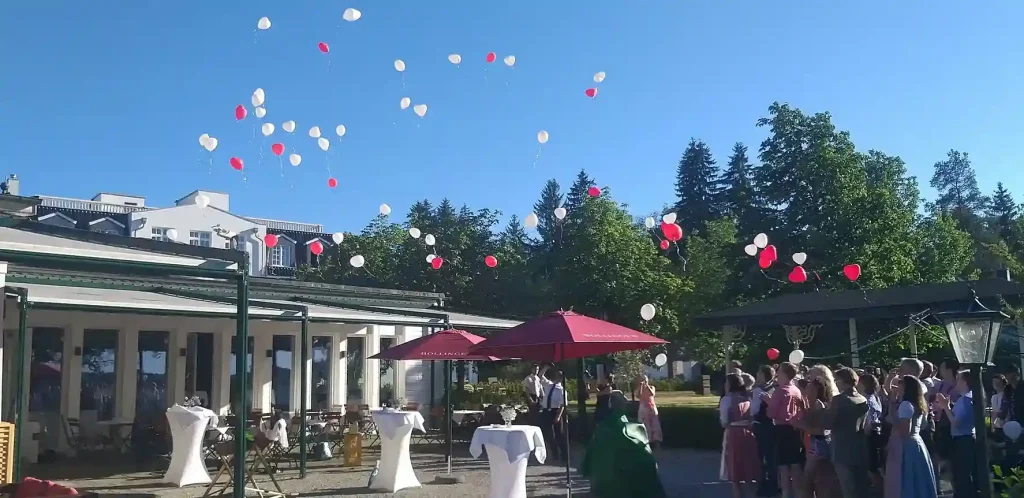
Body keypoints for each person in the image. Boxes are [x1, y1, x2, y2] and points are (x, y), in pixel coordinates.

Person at [884, 375, 937, 498]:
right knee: (918, 480)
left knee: (906, 479)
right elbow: (923, 425)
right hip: (916, 443)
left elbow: (904, 430)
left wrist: (893, 420)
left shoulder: (906, 405)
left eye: (901, 383)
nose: (897, 385)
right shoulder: (917, 403)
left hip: (905, 446)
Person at [823, 367, 870, 498]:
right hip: (859, 446)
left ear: (843, 381)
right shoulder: (862, 398)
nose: (836, 382)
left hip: (842, 447)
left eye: (837, 379)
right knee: (861, 487)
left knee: (848, 488)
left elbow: (828, 423)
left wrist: (825, 410)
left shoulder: (839, 400)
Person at [764, 362, 805, 498]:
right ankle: (799, 494)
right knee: (795, 465)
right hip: (795, 428)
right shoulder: (796, 390)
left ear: (784, 373)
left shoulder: (780, 391)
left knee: (783, 467)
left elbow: (771, 413)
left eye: (779, 371)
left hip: (781, 429)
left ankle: (786, 494)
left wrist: (768, 402)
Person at [936, 370, 979, 498]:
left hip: (964, 440)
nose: (956, 381)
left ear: (965, 382)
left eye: (958, 378)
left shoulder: (966, 399)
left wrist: (946, 407)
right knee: (960, 474)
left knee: (962, 475)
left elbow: (956, 422)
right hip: (962, 439)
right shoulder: (965, 398)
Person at [721, 373, 761, 498]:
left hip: (733, 433)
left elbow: (724, 421)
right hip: (749, 434)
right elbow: (753, 415)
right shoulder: (748, 398)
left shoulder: (727, 400)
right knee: (749, 466)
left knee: (735, 471)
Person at [752, 365, 779, 498]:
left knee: (761, 455)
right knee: (772, 455)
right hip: (774, 426)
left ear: (763, 375)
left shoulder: (759, 391)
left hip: (762, 425)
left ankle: (764, 483)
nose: (757, 375)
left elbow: (754, 410)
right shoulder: (776, 388)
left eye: (759, 373)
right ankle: (774, 482)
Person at [858, 373, 885, 492]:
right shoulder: (875, 397)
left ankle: (878, 489)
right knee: (876, 464)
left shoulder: (865, 400)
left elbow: (868, 421)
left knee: (872, 466)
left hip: (869, 434)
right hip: (877, 432)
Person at [539, 367, 569, 462]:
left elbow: (562, 404)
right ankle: (554, 453)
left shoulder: (561, 390)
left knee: (559, 434)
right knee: (549, 434)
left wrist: (558, 416)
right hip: (546, 411)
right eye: (556, 375)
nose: (557, 377)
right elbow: (540, 376)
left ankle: (564, 454)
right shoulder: (549, 385)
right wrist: (546, 367)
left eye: (559, 376)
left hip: (555, 411)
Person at [635, 374, 663, 448]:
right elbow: (638, 396)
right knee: (645, 425)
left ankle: (657, 442)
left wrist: (647, 385)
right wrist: (641, 386)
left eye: (645, 379)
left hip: (652, 407)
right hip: (643, 408)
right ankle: (647, 442)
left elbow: (652, 394)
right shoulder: (638, 388)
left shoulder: (651, 387)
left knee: (655, 425)